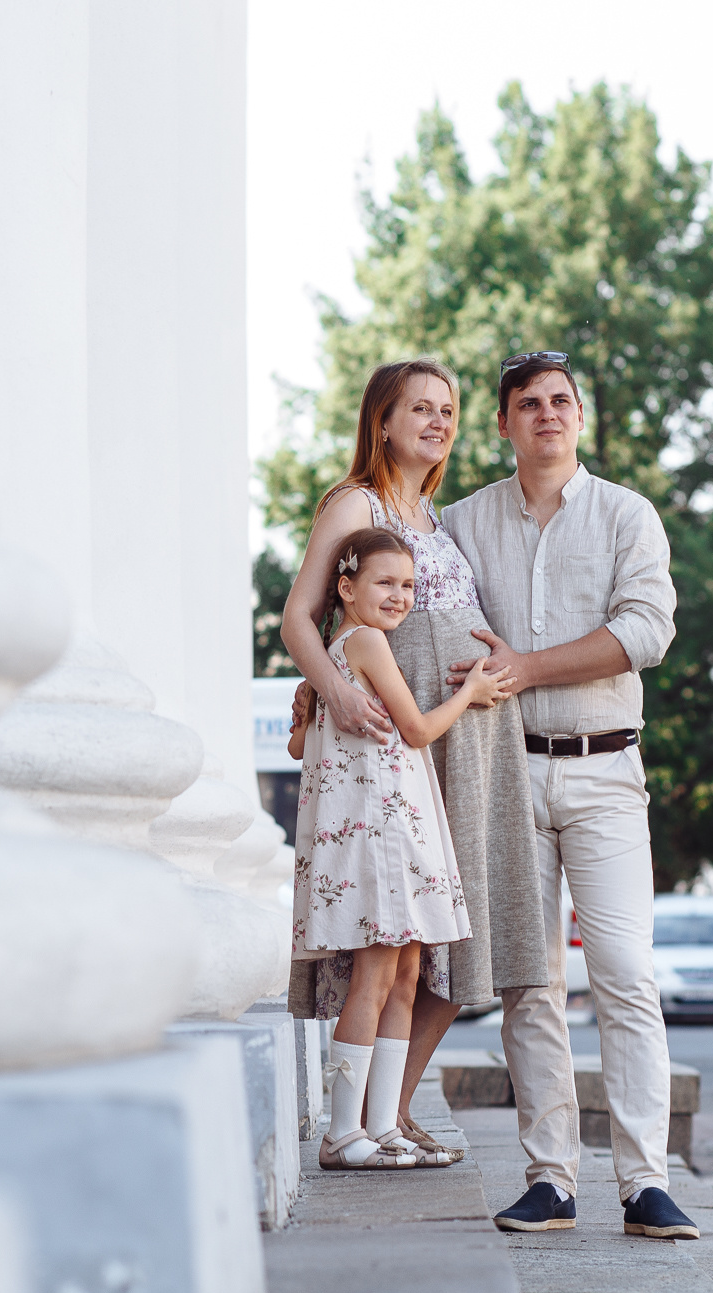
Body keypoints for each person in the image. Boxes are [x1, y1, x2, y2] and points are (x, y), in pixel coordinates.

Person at [438, 350, 698, 1238]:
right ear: (504, 424)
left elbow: (647, 632)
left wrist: (526, 667)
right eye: (528, 403)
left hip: (606, 771)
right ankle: (550, 1179)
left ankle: (645, 1183)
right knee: (531, 983)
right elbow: (419, 615)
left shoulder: (627, 515)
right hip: (506, 771)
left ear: (579, 417)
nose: (546, 414)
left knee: (624, 973)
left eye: (560, 400)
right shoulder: (463, 522)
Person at [279, 360, 548, 1168]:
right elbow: (302, 616)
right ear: (383, 422)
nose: (438, 422)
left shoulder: (434, 516)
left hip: (465, 735)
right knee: (396, 933)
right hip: (398, 738)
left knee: (453, 927)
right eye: (421, 409)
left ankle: (387, 1115)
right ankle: (363, 1121)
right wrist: (331, 688)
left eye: (448, 410)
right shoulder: (355, 504)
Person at [290, 526, 507, 1169]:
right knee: (377, 975)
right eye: (384, 582)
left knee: (406, 973)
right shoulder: (364, 641)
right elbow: (416, 729)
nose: (399, 595)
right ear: (346, 586)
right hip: (380, 834)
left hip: (398, 825)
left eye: (409, 585)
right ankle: (342, 1132)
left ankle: (383, 1126)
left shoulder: (336, 655)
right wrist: (470, 693)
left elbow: (300, 746)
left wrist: (306, 716)